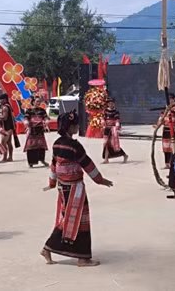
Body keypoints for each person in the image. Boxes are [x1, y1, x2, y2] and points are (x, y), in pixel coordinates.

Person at [41, 110, 113, 267]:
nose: (77, 127)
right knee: (78, 221)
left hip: (63, 188)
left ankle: (60, 251)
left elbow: (54, 165)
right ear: (70, 127)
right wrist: (100, 180)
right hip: (75, 190)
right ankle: (79, 257)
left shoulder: (57, 143)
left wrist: (52, 183)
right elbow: (87, 164)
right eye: (75, 125)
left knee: (70, 219)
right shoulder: (74, 146)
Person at [155, 93, 175, 169]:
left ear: (174, 99)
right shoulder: (165, 110)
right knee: (166, 148)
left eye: (171, 98)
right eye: (168, 99)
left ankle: (174, 163)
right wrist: (158, 124)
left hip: (173, 130)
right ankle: (167, 164)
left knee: (174, 147)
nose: (170, 100)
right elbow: (161, 119)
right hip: (166, 131)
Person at [100, 98, 127, 164]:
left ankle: (125, 155)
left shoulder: (116, 112)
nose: (110, 104)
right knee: (106, 144)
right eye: (109, 103)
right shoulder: (105, 111)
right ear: (107, 104)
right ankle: (106, 159)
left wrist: (117, 126)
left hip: (113, 130)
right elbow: (103, 118)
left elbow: (117, 120)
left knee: (114, 144)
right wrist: (103, 124)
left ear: (114, 104)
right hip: (106, 129)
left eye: (112, 103)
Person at [24, 97, 50, 168]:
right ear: (33, 102)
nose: (38, 103)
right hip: (32, 130)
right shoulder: (28, 111)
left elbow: (45, 118)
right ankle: (31, 162)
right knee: (31, 146)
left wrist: (46, 123)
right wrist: (26, 124)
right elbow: (26, 118)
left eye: (39, 101)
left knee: (41, 146)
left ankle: (42, 159)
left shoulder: (42, 110)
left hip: (40, 130)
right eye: (37, 101)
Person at [0, 94, 15, 163]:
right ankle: (10, 157)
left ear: (4, 99)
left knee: (3, 142)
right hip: (10, 127)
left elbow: (4, 117)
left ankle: (5, 157)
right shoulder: (9, 106)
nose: (0, 101)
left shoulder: (5, 107)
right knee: (8, 142)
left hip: (7, 127)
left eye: (0, 99)